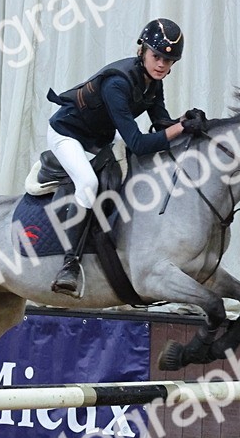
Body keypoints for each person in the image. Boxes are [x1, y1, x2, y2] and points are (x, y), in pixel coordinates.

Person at [44, 18, 192, 296]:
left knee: (127, 176)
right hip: (67, 134)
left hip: (98, 137)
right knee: (88, 183)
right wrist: (178, 128)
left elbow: (161, 123)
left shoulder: (152, 82)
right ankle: (70, 264)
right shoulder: (117, 84)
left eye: (168, 60)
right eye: (156, 56)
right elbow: (136, 142)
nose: (161, 64)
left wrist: (186, 122)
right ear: (143, 51)